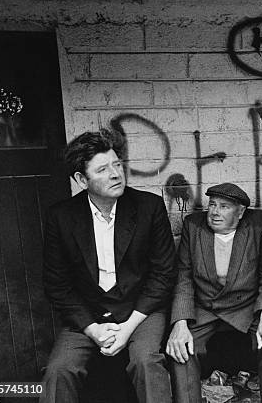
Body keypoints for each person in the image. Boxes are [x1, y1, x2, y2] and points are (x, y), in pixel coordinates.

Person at [41, 130, 176, 403]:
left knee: (146, 362)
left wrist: (128, 328)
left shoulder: (149, 207)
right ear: (81, 179)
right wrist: (92, 329)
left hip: (141, 309)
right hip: (88, 312)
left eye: (117, 165)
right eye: (103, 169)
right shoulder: (62, 217)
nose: (116, 174)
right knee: (59, 370)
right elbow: (58, 285)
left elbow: (163, 275)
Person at [167, 183, 262, 403]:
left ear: (240, 212)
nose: (214, 212)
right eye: (212, 205)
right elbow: (183, 279)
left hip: (246, 306)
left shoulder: (258, 226)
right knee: (180, 345)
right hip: (206, 306)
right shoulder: (193, 226)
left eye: (224, 206)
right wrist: (180, 323)